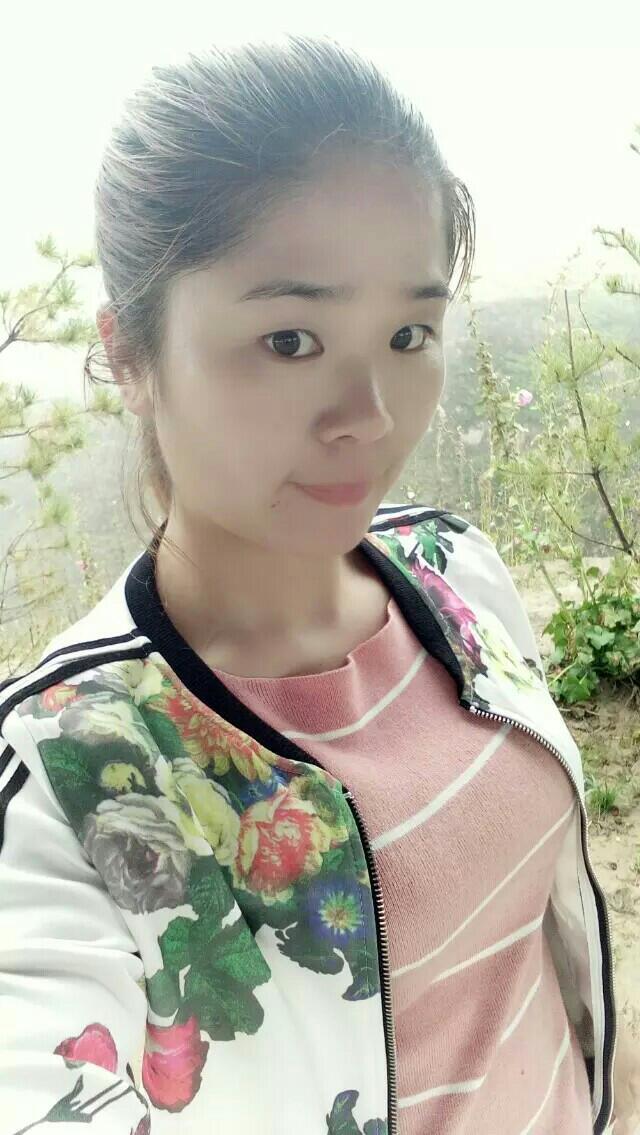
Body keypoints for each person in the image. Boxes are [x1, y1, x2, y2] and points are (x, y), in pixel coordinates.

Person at [0, 33, 636, 1135]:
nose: (370, 415)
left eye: (408, 333)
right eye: (289, 339)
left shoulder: (455, 574)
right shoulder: (70, 768)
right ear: (132, 355)